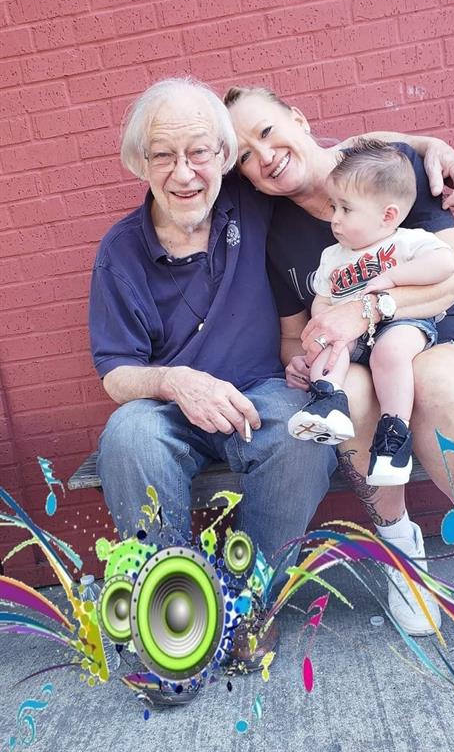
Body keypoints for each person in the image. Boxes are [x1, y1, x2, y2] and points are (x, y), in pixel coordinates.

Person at [224, 85, 454, 663]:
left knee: (434, 382)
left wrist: (370, 308)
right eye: (245, 154)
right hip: (360, 363)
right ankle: (401, 551)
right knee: (341, 391)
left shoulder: (387, 168)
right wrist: (301, 356)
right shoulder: (277, 234)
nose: (263, 154)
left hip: (444, 335)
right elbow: (296, 333)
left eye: (266, 131)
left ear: (297, 117)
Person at [88, 77, 339, 689]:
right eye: (163, 155)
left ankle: (250, 603)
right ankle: (176, 611)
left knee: (305, 431)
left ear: (225, 157)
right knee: (128, 434)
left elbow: (327, 159)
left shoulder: (250, 203)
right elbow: (116, 374)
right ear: (139, 163)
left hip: (261, 390)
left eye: (199, 152)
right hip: (173, 407)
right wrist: (176, 381)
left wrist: (423, 147)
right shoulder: (121, 251)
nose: (184, 174)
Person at [288, 140, 454, 490]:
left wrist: (393, 278)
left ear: (388, 215)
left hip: (402, 323)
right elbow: (323, 300)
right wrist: (323, 328)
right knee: (329, 347)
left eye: (346, 209)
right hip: (354, 332)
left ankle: (394, 434)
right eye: (334, 207)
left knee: (390, 352)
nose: (334, 219)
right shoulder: (332, 257)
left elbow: (445, 263)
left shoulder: (407, 242)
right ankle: (327, 402)